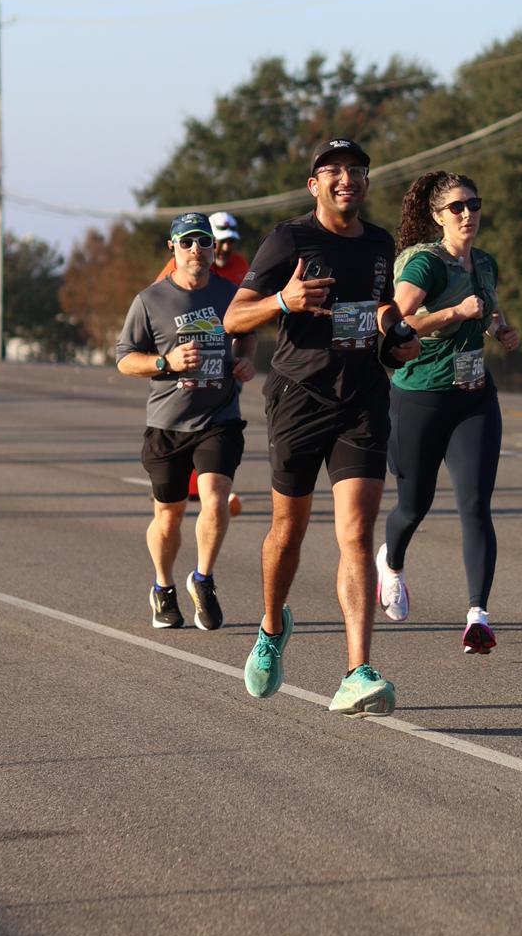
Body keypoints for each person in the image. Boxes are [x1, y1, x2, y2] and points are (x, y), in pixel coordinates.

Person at [223, 138, 419, 714]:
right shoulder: (289, 239)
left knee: (356, 533)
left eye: (356, 170)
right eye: (333, 171)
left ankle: (357, 671)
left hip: (362, 396)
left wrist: (397, 335)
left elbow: (382, 306)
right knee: (289, 531)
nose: (346, 179)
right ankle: (270, 627)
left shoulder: (380, 243)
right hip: (299, 396)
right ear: (314, 185)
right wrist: (282, 301)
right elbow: (234, 316)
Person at [375, 171, 521, 653]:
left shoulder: (485, 263)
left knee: (475, 504)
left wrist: (499, 329)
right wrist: (455, 313)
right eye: (456, 207)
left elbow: (488, 309)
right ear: (438, 216)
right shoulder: (426, 265)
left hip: (474, 397)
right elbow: (396, 321)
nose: (466, 214)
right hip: (421, 397)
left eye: (473, 205)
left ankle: (478, 615)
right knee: (413, 506)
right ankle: (391, 563)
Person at [116, 211, 255, 631]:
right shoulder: (150, 300)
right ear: (172, 248)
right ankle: (163, 587)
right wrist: (166, 362)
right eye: (187, 242)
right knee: (168, 516)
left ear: (213, 248)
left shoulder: (231, 294)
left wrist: (244, 359)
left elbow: (247, 330)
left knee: (215, 498)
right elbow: (124, 359)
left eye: (204, 241)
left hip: (219, 416)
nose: (197, 249)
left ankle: (204, 579)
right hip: (168, 422)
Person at [154, 211, 248, 509]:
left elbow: (248, 316)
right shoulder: (180, 264)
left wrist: (243, 356)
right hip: (184, 365)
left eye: (229, 242)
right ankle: (190, 486)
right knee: (190, 421)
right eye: (220, 241)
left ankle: (210, 487)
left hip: (223, 360)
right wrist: (166, 359)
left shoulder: (240, 266)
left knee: (217, 424)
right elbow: (159, 304)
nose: (224, 248)